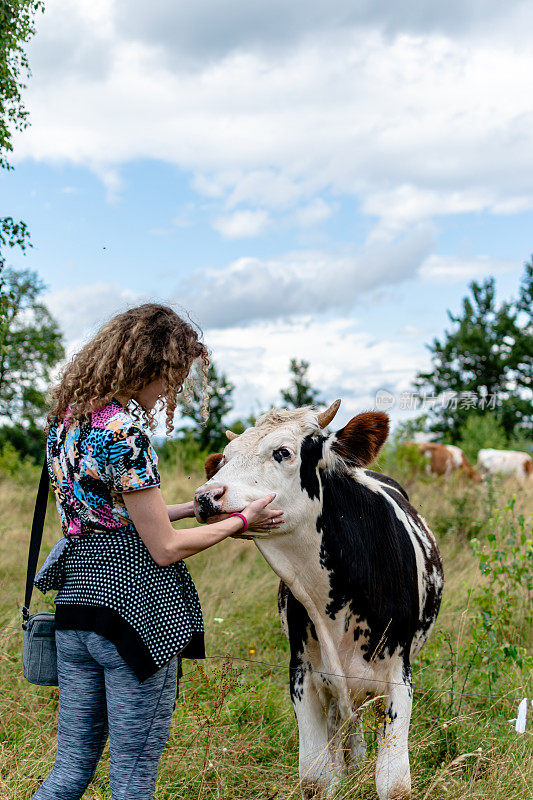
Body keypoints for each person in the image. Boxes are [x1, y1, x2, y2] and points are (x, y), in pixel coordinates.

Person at [32, 303, 284, 800]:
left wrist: (194, 509)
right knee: (132, 779)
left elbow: (109, 516)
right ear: (152, 364)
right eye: (173, 378)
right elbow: (164, 550)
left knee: (70, 769)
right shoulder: (123, 432)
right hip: (131, 614)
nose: (170, 393)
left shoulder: (66, 422)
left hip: (75, 613)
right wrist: (241, 520)